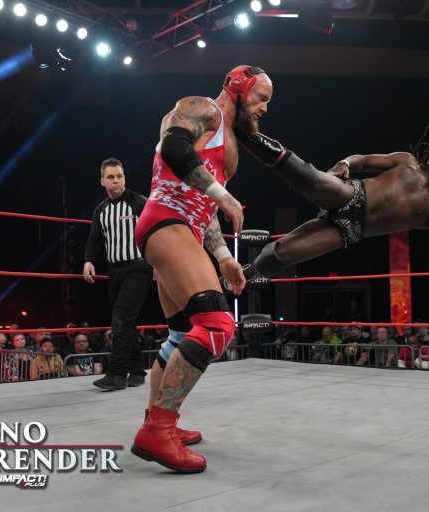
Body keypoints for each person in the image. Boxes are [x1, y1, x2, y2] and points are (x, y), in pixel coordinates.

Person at [130, 65, 271, 473]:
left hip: (184, 230)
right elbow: (173, 149)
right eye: (261, 98)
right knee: (216, 325)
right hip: (166, 220)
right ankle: (158, 431)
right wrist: (222, 193)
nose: (264, 108)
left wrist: (223, 257)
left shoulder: (230, 145)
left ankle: (158, 421)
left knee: (180, 334)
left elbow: (205, 208)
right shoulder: (201, 109)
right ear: (239, 88)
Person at [233, 117, 429, 283]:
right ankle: (245, 134)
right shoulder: (406, 161)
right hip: (352, 193)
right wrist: (345, 164)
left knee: (283, 252)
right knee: (311, 178)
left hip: (350, 230)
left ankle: (241, 277)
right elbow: (363, 159)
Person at [83, 157, 151, 391]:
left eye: (119, 176)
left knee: (121, 319)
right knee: (125, 322)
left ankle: (117, 374)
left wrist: (158, 264)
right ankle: (138, 370)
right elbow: (94, 239)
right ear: (102, 181)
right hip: (115, 271)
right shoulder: (100, 210)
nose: (116, 181)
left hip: (138, 268)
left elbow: (156, 231)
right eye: (111, 177)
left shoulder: (138, 202)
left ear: (124, 178)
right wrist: (88, 261)